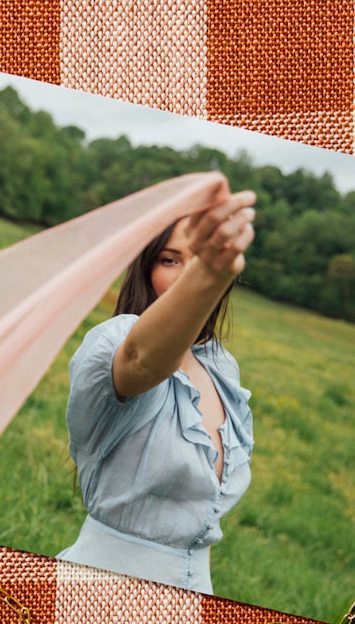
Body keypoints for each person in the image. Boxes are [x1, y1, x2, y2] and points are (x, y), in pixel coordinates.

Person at [56, 189, 258, 594]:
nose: (187, 275)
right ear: (145, 268)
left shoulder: (219, 365)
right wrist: (210, 271)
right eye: (170, 260)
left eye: (199, 260)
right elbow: (142, 361)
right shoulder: (115, 342)